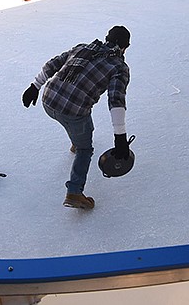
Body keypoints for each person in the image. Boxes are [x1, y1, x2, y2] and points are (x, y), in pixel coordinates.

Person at [21, 26, 131, 210]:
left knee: (82, 125)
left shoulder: (83, 48)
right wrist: (120, 137)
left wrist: (34, 86)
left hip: (48, 100)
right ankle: (74, 191)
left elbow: (52, 64)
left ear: (106, 38)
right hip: (72, 111)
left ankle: (76, 139)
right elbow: (116, 101)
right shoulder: (119, 67)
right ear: (125, 47)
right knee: (85, 148)